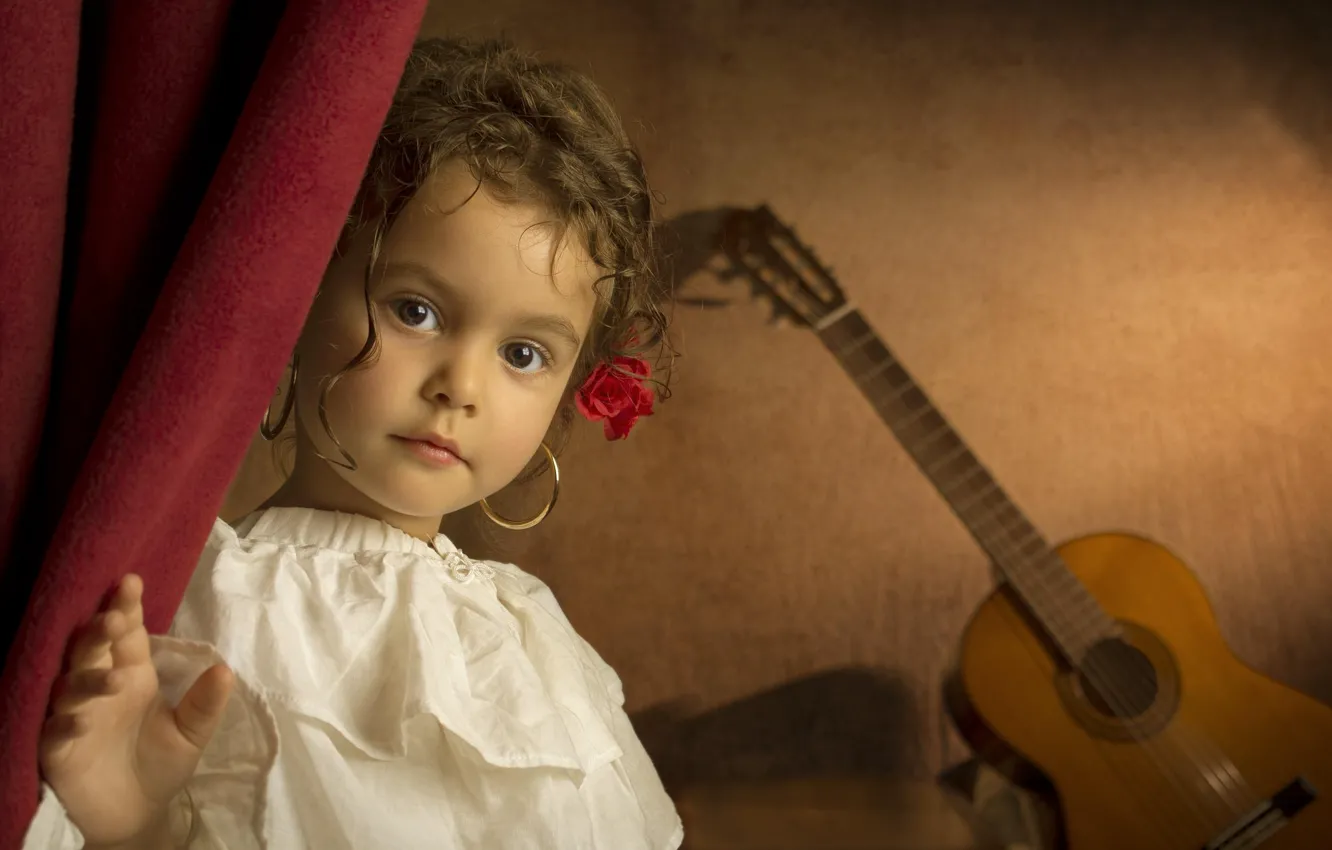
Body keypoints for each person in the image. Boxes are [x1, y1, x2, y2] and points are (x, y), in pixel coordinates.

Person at [23, 36, 682, 850]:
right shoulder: (211, 601)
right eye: (416, 311)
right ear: (300, 302)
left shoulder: (531, 643)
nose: (460, 386)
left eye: (523, 354)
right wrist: (135, 822)